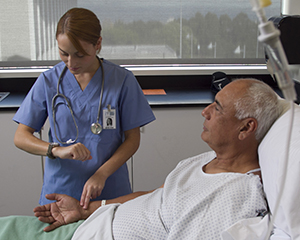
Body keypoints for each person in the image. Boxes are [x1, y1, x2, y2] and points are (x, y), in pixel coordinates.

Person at [1, 78, 281, 239]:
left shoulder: (236, 193)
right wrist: (86, 210)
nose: (205, 111)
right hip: (92, 223)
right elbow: (158, 195)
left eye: (217, 108)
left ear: (246, 128)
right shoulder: (205, 160)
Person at [12, 8, 155, 209]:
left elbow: (132, 140)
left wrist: (102, 173)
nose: (71, 63)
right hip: (60, 191)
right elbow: (21, 137)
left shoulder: (122, 81)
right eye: (64, 53)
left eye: (80, 55)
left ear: (98, 44)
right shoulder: (49, 81)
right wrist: (56, 150)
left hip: (109, 190)